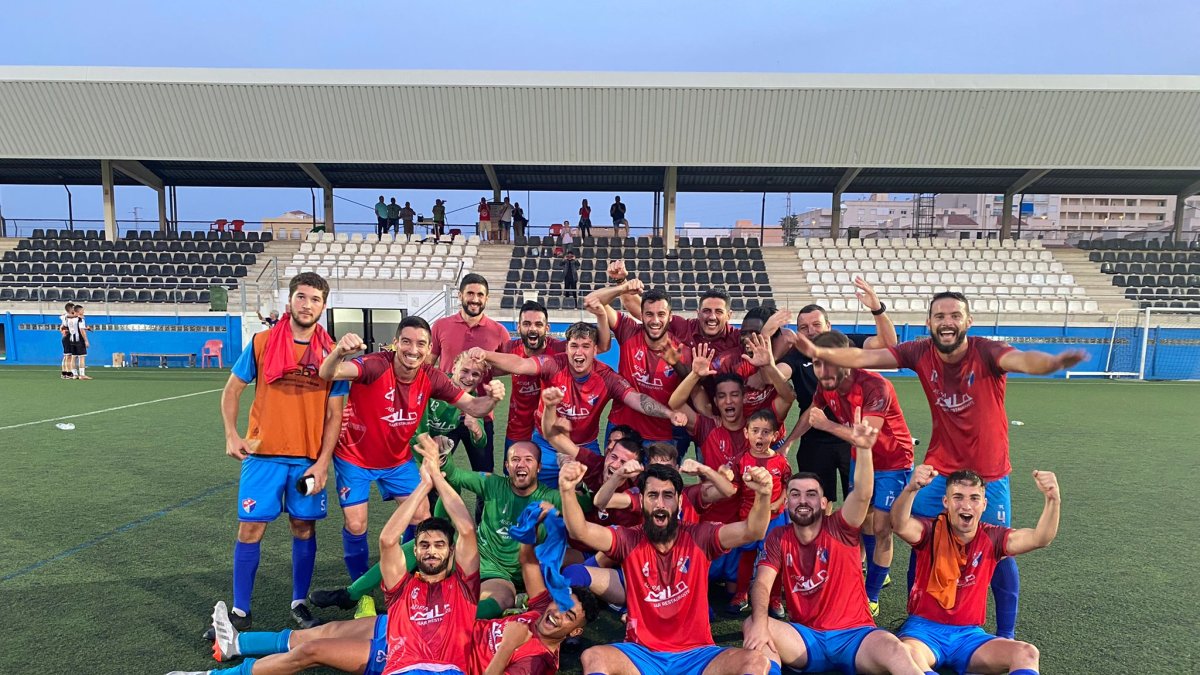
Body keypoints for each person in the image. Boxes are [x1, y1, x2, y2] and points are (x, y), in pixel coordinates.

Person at [792, 290, 1087, 639]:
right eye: (939, 316)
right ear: (929, 322)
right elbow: (865, 354)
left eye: (954, 315)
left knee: (999, 550)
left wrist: (1051, 364)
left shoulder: (987, 351)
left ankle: (1005, 633)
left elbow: (1023, 361)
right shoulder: (920, 352)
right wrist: (820, 351)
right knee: (920, 539)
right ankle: (917, 617)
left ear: (968, 322)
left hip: (989, 473)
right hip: (939, 468)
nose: (947, 322)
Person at [169, 436, 480, 675]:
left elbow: (466, 529)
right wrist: (424, 485)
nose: (431, 551)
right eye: (424, 544)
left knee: (315, 647)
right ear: (414, 549)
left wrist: (437, 478)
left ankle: (229, 656)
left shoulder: (464, 587)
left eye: (439, 545)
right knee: (322, 637)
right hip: (400, 645)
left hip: (426, 665)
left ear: (451, 552)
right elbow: (387, 540)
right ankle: (231, 651)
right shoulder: (404, 586)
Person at [313, 317, 503, 616]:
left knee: (423, 517)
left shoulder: (432, 376)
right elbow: (329, 372)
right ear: (396, 343)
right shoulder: (376, 365)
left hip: (398, 459)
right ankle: (358, 593)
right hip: (355, 456)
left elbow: (474, 407)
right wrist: (338, 351)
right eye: (407, 342)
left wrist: (491, 400)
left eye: (421, 344)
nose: (413, 350)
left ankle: (409, 576)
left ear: (429, 349)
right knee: (356, 525)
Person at [212, 272, 348, 636]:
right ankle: (241, 611)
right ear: (290, 301)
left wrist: (322, 463)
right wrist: (231, 433)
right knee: (250, 528)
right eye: (301, 297)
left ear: (324, 305)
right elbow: (232, 390)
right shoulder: (261, 342)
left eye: (315, 299)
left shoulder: (333, 354)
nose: (307, 305)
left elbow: (335, 414)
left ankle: (299, 602)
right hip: (263, 456)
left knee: (303, 528)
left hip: (307, 459)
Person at [742, 411, 926, 675]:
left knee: (893, 646)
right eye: (795, 494)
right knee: (753, 624)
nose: (803, 500)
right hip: (807, 640)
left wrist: (863, 450)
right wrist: (760, 621)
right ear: (787, 502)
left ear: (825, 503)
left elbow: (862, 495)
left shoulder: (841, 526)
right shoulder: (779, 537)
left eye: (811, 494)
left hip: (855, 636)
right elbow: (761, 583)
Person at [558, 460, 776, 675]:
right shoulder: (628, 539)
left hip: (697, 654)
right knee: (593, 657)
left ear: (679, 502)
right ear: (642, 500)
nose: (660, 504)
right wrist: (567, 490)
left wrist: (764, 494)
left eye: (668, 496)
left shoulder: (701, 537)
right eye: (653, 496)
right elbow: (580, 531)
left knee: (756, 662)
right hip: (643, 654)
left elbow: (752, 531)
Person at [783, 329, 915, 616]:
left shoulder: (875, 386)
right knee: (863, 521)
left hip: (893, 461)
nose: (824, 370)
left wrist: (827, 426)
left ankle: (872, 594)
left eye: (831, 362)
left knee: (882, 528)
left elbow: (864, 436)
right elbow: (811, 414)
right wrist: (788, 442)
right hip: (861, 458)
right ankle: (876, 570)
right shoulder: (825, 384)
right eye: (818, 363)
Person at [467, 321, 685, 485]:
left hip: (584, 447)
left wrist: (669, 414)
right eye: (574, 346)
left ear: (595, 350)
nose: (578, 352)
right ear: (567, 348)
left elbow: (637, 399)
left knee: (591, 497)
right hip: (545, 443)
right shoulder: (554, 364)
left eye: (585, 346)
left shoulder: (606, 377)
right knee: (528, 493)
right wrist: (484, 354)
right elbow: (520, 364)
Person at [892, 465, 1061, 675]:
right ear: (946, 502)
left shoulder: (993, 538)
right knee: (905, 655)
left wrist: (1053, 500)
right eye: (958, 497)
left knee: (1027, 653)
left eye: (974, 498)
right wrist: (911, 490)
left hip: (969, 636)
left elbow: (1040, 538)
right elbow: (899, 525)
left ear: (984, 504)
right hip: (923, 632)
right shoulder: (930, 531)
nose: (966, 505)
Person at [415, 434, 574, 619]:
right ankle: (375, 598)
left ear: (539, 467)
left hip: (514, 572)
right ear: (507, 466)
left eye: (528, 460)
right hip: (480, 560)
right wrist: (441, 454)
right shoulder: (493, 483)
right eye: (515, 459)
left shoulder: (552, 497)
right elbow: (455, 475)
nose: (521, 464)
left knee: (505, 596)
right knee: (424, 542)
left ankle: (446, 620)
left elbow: (587, 505)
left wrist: (572, 482)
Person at [778, 278, 899, 505]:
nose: (811, 331)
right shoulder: (796, 356)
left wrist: (877, 308)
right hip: (815, 440)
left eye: (816, 324)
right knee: (820, 502)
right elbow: (780, 376)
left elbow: (889, 343)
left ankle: (860, 542)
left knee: (864, 504)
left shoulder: (848, 344)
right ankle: (826, 541)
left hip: (852, 437)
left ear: (829, 326)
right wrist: (789, 443)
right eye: (803, 327)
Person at [586, 281, 692, 448]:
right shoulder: (628, 331)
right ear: (641, 315)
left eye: (661, 314)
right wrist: (622, 287)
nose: (655, 320)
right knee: (612, 474)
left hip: (659, 436)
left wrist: (677, 364)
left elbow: (693, 388)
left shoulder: (682, 351)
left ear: (670, 317)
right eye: (649, 314)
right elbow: (592, 300)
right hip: (620, 429)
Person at [430, 273, 511, 473]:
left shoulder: (499, 331)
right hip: (444, 412)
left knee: (484, 474)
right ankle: (432, 505)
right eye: (470, 293)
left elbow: (509, 365)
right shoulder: (441, 325)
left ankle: (482, 507)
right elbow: (428, 364)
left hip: (482, 413)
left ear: (487, 298)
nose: (475, 299)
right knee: (433, 470)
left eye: (480, 295)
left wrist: (487, 371)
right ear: (460, 295)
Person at [499, 301, 565, 450]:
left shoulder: (560, 349)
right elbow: (486, 369)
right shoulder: (509, 349)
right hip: (518, 426)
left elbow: (600, 346)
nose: (532, 329)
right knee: (515, 471)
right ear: (518, 327)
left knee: (549, 473)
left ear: (547, 328)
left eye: (538, 324)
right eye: (527, 324)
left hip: (550, 428)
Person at [412, 351, 490, 466]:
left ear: (481, 378)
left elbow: (481, 442)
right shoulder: (435, 384)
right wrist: (428, 444)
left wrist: (476, 429)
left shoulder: (472, 400)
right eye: (465, 371)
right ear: (454, 369)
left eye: (475, 374)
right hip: (410, 446)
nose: (469, 378)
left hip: (431, 448)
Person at [64, 302, 91, 380]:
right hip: (79, 341)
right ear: (79, 311)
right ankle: (82, 375)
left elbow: (66, 325)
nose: (83, 312)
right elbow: (81, 330)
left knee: (73, 357)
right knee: (81, 357)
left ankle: (75, 374)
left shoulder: (68, 318)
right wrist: (86, 340)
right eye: (82, 310)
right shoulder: (80, 319)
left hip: (71, 340)